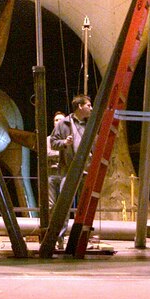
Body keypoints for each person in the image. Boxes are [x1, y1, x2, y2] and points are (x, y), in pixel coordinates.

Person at [49, 94, 93, 250]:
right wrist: (64, 143)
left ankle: (82, 240)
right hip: (68, 170)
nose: (91, 108)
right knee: (63, 206)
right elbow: (53, 143)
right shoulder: (63, 123)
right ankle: (58, 239)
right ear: (80, 106)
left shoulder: (91, 124)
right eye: (89, 105)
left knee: (85, 206)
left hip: (86, 170)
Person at [47, 110, 65, 210]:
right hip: (52, 173)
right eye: (56, 120)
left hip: (64, 174)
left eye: (60, 120)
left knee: (64, 204)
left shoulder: (70, 139)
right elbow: (47, 153)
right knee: (51, 204)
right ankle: (51, 224)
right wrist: (61, 154)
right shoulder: (48, 139)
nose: (58, 122)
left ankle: (64, 225)